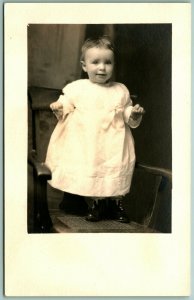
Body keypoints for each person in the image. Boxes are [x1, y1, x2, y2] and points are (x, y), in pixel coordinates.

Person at [45, 36, 145, 223]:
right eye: (95, 62)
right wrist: (58, 106)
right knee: (94, 168)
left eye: (108, 62)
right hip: (88, 142)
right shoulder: (77, 88)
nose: (102, 67)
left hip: (114, 142)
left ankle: (115, 205)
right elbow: (65, 103)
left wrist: (134, 113)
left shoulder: (120, 90)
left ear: (113, 65)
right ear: (84, 66)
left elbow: (126, 112)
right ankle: (98, 203)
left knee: (114, 169)